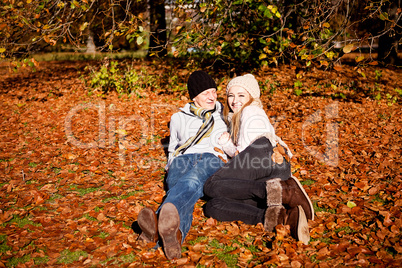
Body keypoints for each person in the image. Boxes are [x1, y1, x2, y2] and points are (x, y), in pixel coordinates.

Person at [203, 74, 314, 244]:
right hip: (270, 170)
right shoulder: (238, 117)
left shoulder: (251, 111)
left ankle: (287, 191)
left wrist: (226, 144)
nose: (234, 101)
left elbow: (241, 152)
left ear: (251, 97)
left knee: (211, 185)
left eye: (241, 95)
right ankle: (283, 217)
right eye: (231, 95)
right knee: (214, 205)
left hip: (265, 156)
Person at [136, 71, 228, 259]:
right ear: (194, 97)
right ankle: (174, 237)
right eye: (206, 93)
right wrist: (171, 164)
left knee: (192, 181)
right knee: (178, 185)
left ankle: (155, 224)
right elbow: (173, 147)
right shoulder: (178, 117)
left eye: (214, 91)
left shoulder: (225, 114)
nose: (212, 96)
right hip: (183, 158)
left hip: (212, 157)